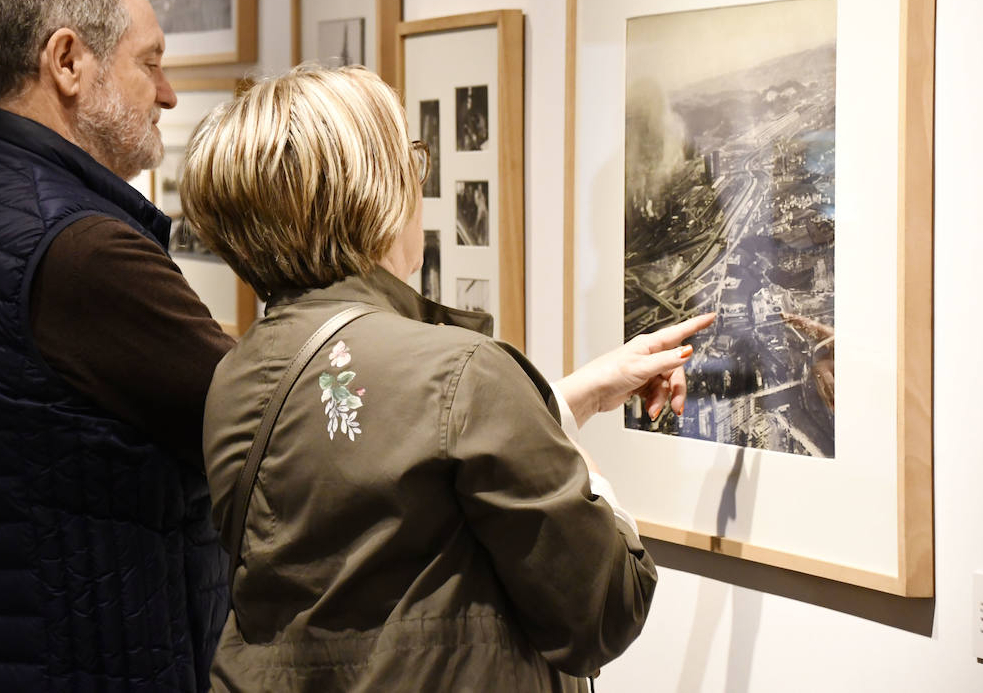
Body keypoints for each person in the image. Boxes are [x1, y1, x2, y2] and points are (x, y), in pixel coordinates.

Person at [180, 65, 714, 691]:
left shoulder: (238, 376)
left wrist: (580, 393)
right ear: (373, 191)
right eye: (410, 160)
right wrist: (589, 476)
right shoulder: (464, 372)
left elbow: (392, 455)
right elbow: (603, 610)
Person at [0, 0, 232, 692]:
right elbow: (270, 418)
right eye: (151, 63)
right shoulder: (82, 252)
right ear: (68, 62)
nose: (167, 95)